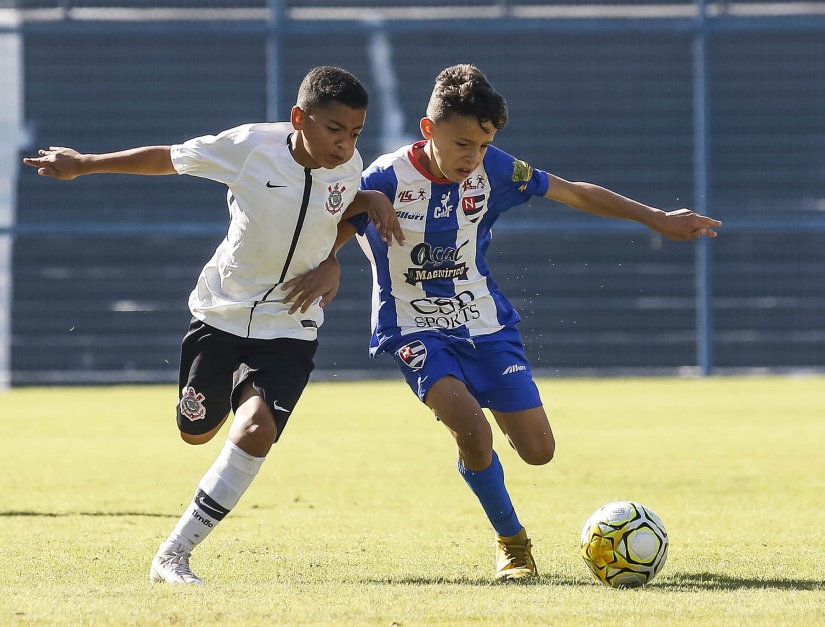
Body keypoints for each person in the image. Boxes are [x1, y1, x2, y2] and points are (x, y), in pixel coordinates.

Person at [305, 64, 721, 581]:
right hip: (412, 327)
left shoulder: (496, 169)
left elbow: (573, 191)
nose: (472, 158)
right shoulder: (384, 178)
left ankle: (497, 476)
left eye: (482, 146)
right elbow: (339, 221)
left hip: (484, 323)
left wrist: (656, 217)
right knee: (473, 432)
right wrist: (330, 261)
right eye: (462, 144)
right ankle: (513, 543)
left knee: (538, 452)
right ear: (428, 129)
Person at [22, 66, 402, 585]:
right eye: (335, 129)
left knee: (255, 430)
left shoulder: (348, 165)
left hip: (290, 321)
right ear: (299, 119)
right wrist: (85, 164)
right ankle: (221, 400)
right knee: (195, 432)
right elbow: (168, 158)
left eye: (355, 132)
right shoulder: (248, 147)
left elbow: (334, 211)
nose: (345, 144)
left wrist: (349, 233)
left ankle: (172, 556)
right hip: (220, 314)